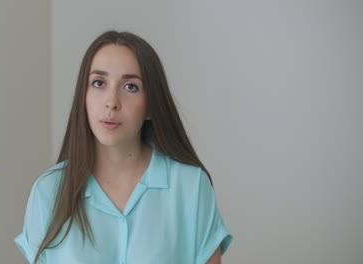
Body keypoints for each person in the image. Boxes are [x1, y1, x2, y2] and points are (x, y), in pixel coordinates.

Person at [15, 30, 233, 264]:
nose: (112, 102)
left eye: (130, 87)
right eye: (98, 83)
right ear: (83, 97)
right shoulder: (48, 191)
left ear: (151, 105)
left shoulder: (191, 186)